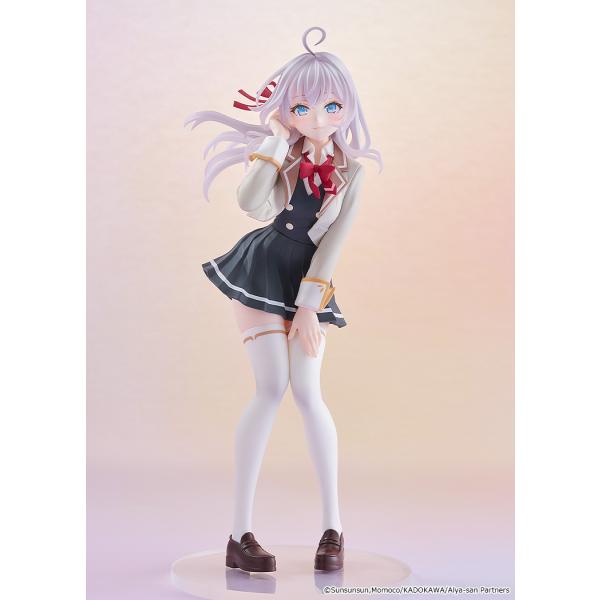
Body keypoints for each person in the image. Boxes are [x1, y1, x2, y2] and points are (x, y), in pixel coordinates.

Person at [186, 26, 382, 572]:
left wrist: (308, 308)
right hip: (261, 268)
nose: (318, 118)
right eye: (302, 107)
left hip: (308, 281)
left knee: (309, 392)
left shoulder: (351, 173)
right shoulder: (283, 152)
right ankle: (239, 534)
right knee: (271, 388)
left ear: (347, 107)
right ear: (287, 110)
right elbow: (250, 203)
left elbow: (334, 243)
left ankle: (333, 528)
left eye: (331, 106)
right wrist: (274, 139)